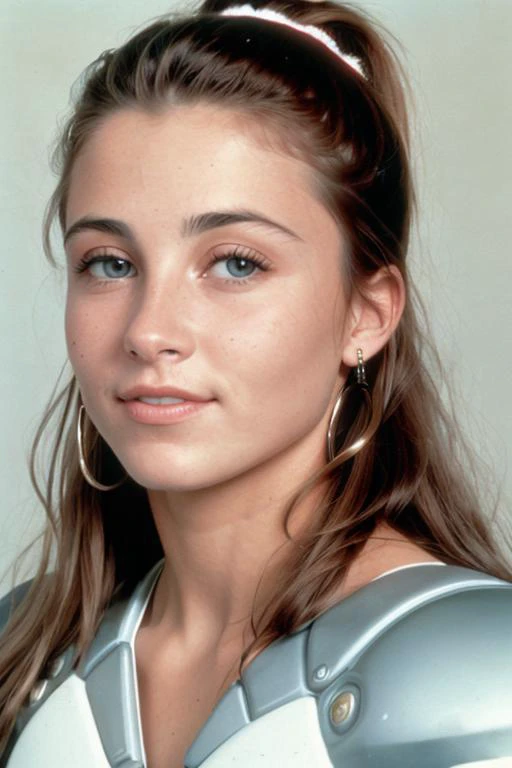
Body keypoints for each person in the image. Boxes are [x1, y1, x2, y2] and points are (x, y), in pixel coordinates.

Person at [1, 1, 512, 766]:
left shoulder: (475, 678)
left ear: (366, 315)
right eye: (109, 262)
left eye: (236, 262)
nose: (148, 331)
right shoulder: (24, 661)